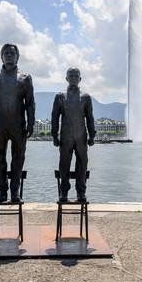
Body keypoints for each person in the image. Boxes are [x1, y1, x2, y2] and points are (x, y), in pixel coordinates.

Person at [0, 44, 35, 203]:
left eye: (12, 53)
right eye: (6, 53)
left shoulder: (25, 78)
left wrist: (31, 123)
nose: (9, 55)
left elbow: (30, 103)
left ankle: (15, 193)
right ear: (1, 56)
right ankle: (2, 192)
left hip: (18, 124)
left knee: (18, 159)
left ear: (17, 56)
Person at [51, 67, 96, 202]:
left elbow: (90, 117)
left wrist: (92, 135)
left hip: (81, 136)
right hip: (65, 136)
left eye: (76, 76)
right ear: (66, 78)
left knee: (82, 164)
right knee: (64, 164)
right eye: (71, 75)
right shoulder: (60, 96)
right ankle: (63, 192)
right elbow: (54, 117)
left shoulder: (86, 97)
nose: (74, 78)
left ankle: (81, 192)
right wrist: (54, 135)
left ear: (80, 79)